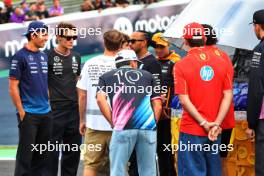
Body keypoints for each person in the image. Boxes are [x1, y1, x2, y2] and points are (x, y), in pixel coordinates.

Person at [174, 22, 233, 176]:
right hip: (215, 130)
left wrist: (203, 123)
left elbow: (184, 100)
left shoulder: (181, 65)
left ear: (185, 41)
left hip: (193, 129)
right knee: (214, 171)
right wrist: (216, 123)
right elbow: (227, 95)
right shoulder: (222, 61)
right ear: (204, 39)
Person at [96, 49, 162, 176]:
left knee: (118, 171)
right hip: (147, 128)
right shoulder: (148, 76)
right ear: (132, 62)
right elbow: (158, 105)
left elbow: (100, 99)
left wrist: (113, 122)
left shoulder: (106, 77)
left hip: (122, 126)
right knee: (149, 172)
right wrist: (152, 124)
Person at [76, 29, 123, 176]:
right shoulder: (124, 65)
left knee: (91, 164)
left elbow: (82, 95)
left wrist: (82, 120)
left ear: (104, 43)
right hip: (119, 125)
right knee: (119, 165)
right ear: (121, 44)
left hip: (94, 125)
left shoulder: (90, 63)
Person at [9, 21, 51, 176]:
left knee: (42, 156)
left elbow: (45, 84)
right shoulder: (19, 57)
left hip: (46, 113)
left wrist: (50, 105)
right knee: (25, 157)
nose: (47, 38)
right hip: (29, 114)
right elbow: (13, 87)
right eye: (44, 34)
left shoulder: (43, 56)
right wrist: (21, 111)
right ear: (33, 35)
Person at [47, 22, 81, 176]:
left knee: (72, 152)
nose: (71, 40)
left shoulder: (77, 56)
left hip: (74, 110)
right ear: (58, 37)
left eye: (74, 37)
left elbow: (77, 80)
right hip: (55, 110)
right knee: (51, 153)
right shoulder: (47, 56)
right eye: (68, 37)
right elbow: (43, 84)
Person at [202, 24, 235, 176]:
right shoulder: (224, 56)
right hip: (226, 118)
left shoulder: (201, 57)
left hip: (208, 119)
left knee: (206, 163)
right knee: (222, 161)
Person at [129, 30, 162, 175]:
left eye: (133, 41)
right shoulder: (133, 61)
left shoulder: (152, 63)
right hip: (132, 119)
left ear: (144, 43)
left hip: (146, 120)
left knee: (145, 162)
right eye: (129, 40)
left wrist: (153, 122)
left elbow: (157, 95)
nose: (130, 43)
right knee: (133, 161)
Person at [151, 32, 180, 176]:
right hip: (157, 113)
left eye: (161, 46)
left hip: (172, 114)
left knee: (172, 149)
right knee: (161, 149)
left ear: (168, 45)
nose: (158, 49)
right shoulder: (153, 62)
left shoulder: (176, 62)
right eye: (155, 46)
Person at [246, 9, 264, 176]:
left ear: (258, 26)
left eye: (254, 26)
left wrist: (251, 122)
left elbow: (256, 88)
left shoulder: (259, 49)